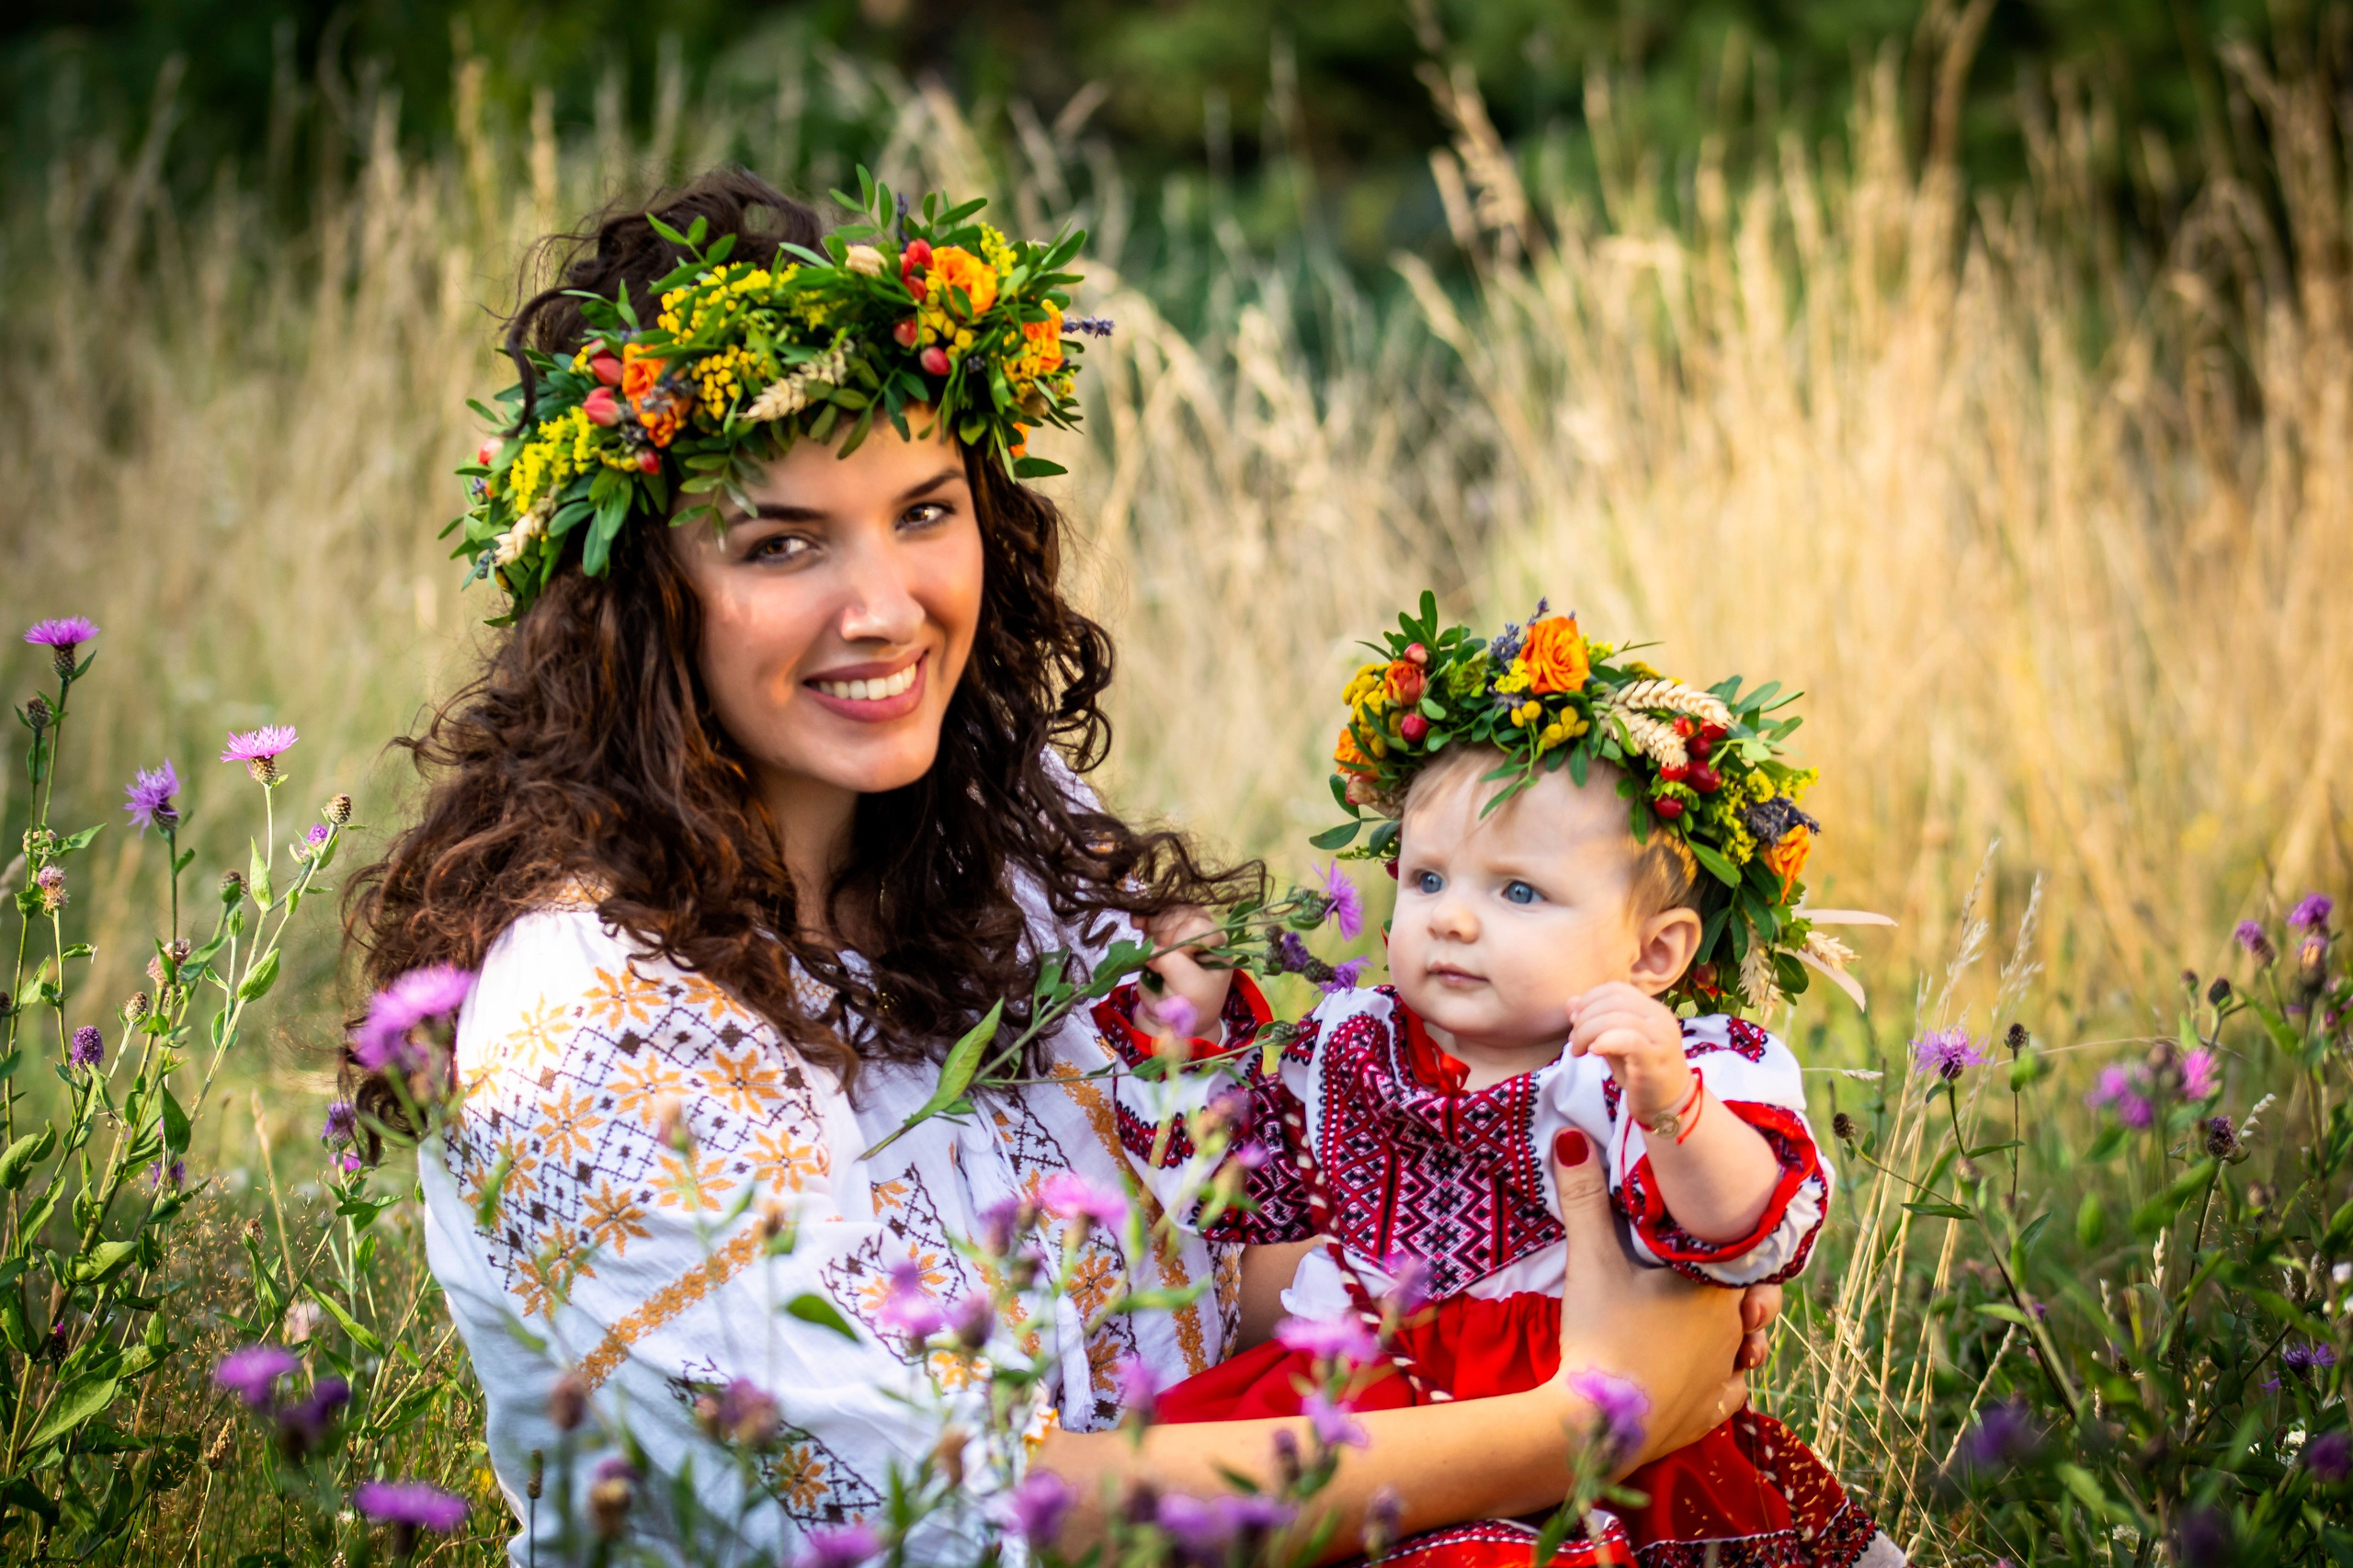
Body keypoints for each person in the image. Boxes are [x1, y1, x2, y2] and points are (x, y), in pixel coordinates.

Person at [345, 170, 1773, 1565]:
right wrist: (1587, 1413)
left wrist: (1612, 1236)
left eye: (923, 509)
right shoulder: (601, 1022)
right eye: (784, 543)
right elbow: (991, 1517)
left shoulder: (999, 828)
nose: (888, 609)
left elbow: (1243, 1254)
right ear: (638, 597)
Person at [1104, 603, 1902, 1566]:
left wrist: (1673, 1107)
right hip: (1348, 1402)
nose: (1452, 920)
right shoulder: (1349, 1044)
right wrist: (1180, 1015)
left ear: (1654, 951)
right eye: (1429, 879)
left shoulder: (1644, 1066)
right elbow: (1224, 1170)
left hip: (1567, 1407)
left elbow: (1748, 1225)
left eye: (1516, 892)